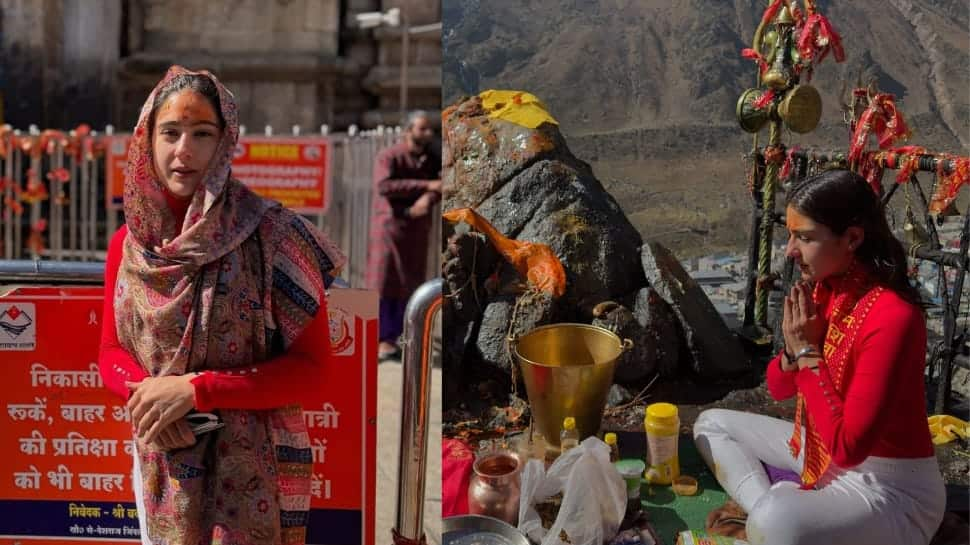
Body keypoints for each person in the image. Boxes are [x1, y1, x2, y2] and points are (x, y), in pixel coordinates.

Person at [97, 66, 345, 545]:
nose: (183, 151)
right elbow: (110, 350)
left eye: (202, 134)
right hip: (162, 464)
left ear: (226, 142)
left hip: (257, 474)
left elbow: (313, 369)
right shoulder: (128, 247)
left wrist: (196, 391)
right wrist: (148, 398)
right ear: (147, 140)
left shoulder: (274, 236)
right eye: (170, 133)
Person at [693, 169, 945, 545]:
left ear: (852, 239)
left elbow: (850, 448)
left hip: (890, 488)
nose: (791, 250)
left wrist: (808, 353)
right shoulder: (827, 290)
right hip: (823, 452)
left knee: (778, 522)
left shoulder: (894, 318)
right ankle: (771, 513)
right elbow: (778, 387)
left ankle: (776, 518)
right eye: (791, 235)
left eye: (804, 237)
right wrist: (795, 351)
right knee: (711, 425)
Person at [365, 110, 441, 360]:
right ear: (408, 131)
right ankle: (382, 339)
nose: (427, 133)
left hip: (417, 230)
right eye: (422, 129)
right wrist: (425, 187)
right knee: (385, 282)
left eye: (429, 129)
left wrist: (427, 198)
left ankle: (401, 337)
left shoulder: (431, 159)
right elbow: (384, 186)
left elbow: (440, 184)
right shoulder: (390, 156)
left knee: (411, 284)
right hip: (390, 228)